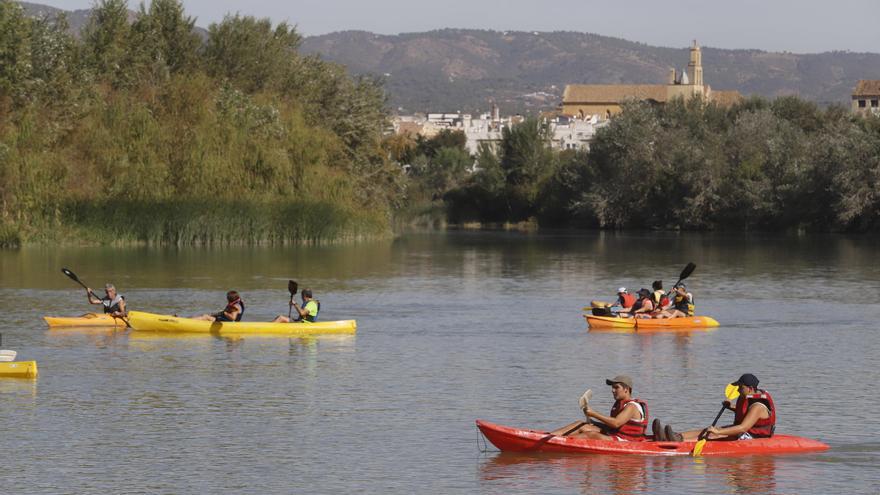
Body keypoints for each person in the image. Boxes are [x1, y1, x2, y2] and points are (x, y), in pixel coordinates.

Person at [655, 373, 775, 442]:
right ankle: (676, 436)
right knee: (708, 429)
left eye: (740, 387)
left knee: (713, 434)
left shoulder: (758, 406)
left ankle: (679, 442)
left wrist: (718, 431)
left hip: (753, 437)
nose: (738, 389)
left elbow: (743, 427)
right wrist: (731, 407)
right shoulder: (749, 396)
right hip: (746, 432)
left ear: (750, 389)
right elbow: (746, 415)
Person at [549, 375, 649, 441]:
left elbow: (616, 423)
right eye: (612, 388)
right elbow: (614, 426)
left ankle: (558, 442)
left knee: (591, 435)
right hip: (616, 435)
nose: (613, 390)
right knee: (582, 425)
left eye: (616, 387)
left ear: (626, 389)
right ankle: (549, 436)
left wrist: (594, 414)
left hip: (627, 441)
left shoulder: (632, 406)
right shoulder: (619, 403)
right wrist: (594, 422)